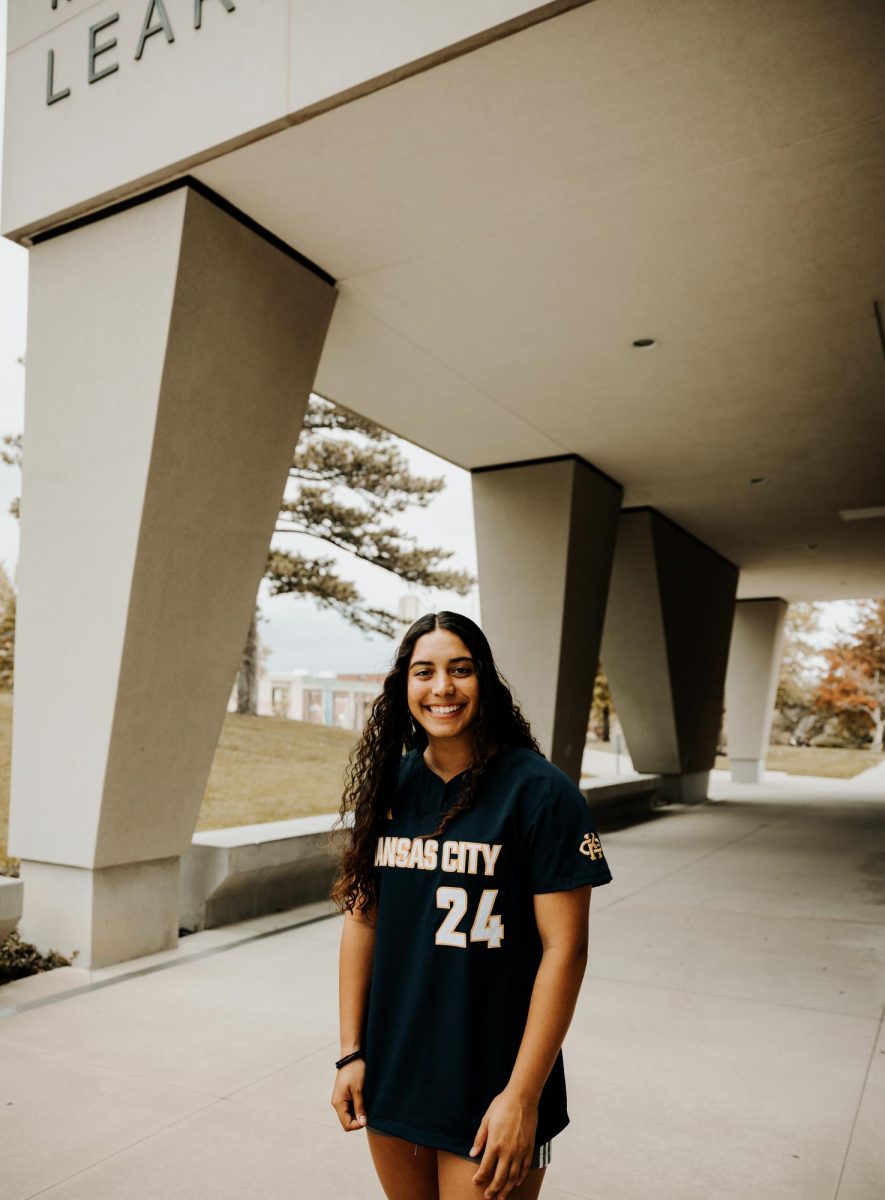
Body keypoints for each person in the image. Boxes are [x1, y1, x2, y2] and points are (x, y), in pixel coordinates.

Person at [330, 611, 612, 1200]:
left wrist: (522, 1096)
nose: (442, 688)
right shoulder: (391, 786)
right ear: (402, 685)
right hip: (395, 1072)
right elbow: (362, 921)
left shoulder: (539, 792)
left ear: (485, 679)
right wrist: (351, 1053)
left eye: (460, 670)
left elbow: (567, 950)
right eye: (423, 671)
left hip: (494, 1082)